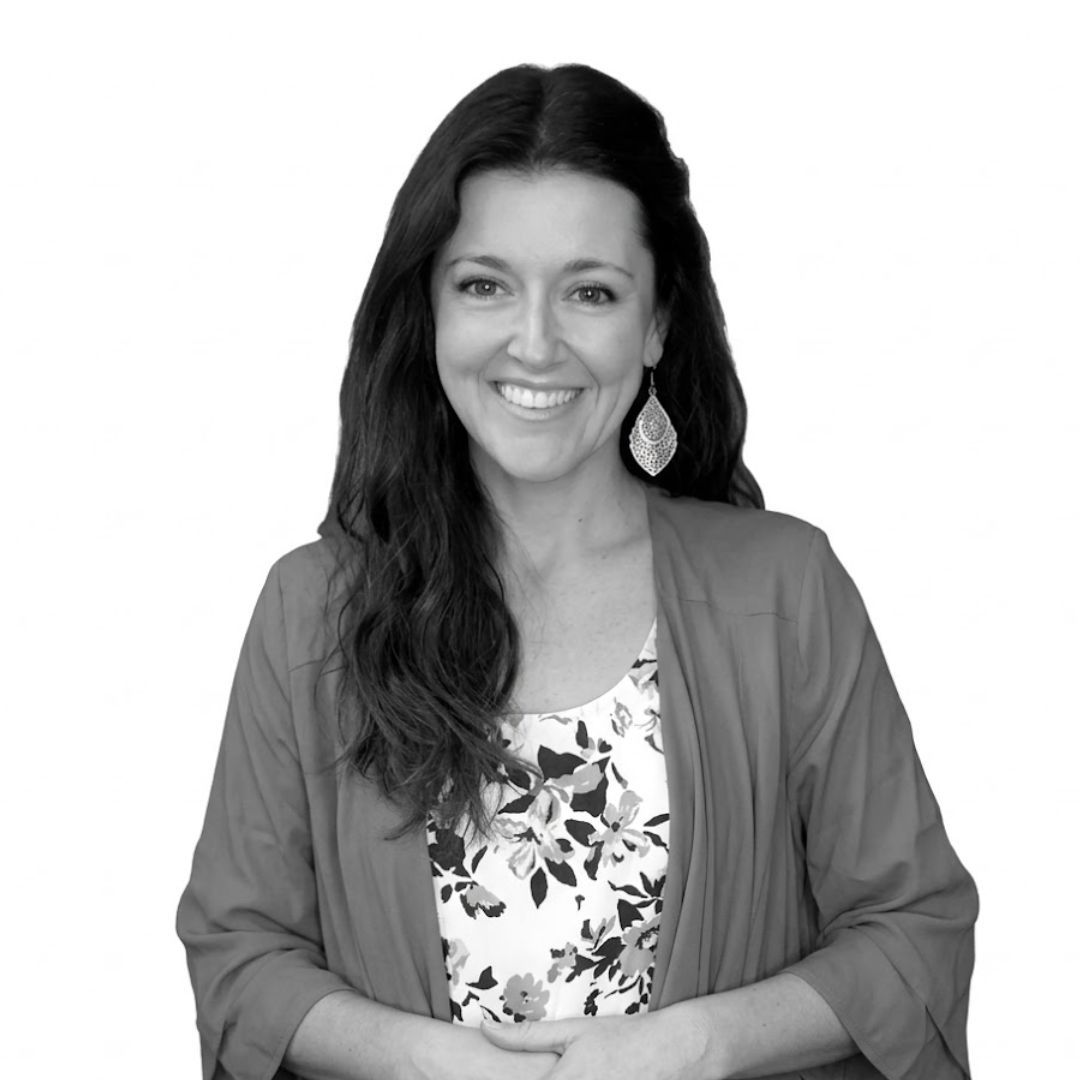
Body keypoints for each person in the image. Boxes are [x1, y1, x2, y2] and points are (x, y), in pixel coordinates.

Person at [177, 63, 977, 1080]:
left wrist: (692, 1046)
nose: (535, 343)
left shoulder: (785, 589)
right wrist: (432, 1063)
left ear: (657, 323)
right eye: (484, 285)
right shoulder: (312, 611)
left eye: (591, 292)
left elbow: (912, 932)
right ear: (429, 313)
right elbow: (241, 955)